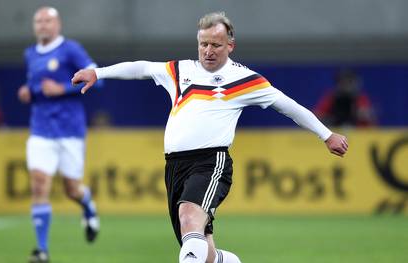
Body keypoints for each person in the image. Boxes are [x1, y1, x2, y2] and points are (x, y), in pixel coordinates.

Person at [72, 11, 348, 263]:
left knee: (189, 216)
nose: (208, 51)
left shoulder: (244, 80)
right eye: (204, 44)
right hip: (175, 166)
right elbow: (141, 68)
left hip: (210, 162)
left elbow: (288, 106)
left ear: (230, 46)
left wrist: (326, 135)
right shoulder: (180, 71)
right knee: (201, 248)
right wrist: (98, 72)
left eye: (215, 45)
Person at [17, 6, 100, 263]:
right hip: (41, 129)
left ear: (58, 25)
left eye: (47, 21)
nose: (42, 25)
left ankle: (87, 206)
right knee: (39, 184)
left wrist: (63, 88)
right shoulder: (30, 54)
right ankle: (42, 250)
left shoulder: (71, 50)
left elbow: (99, 79)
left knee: (71, 190)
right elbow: (37, 85)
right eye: (38, 21)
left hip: (69, 130)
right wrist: (28, 92)